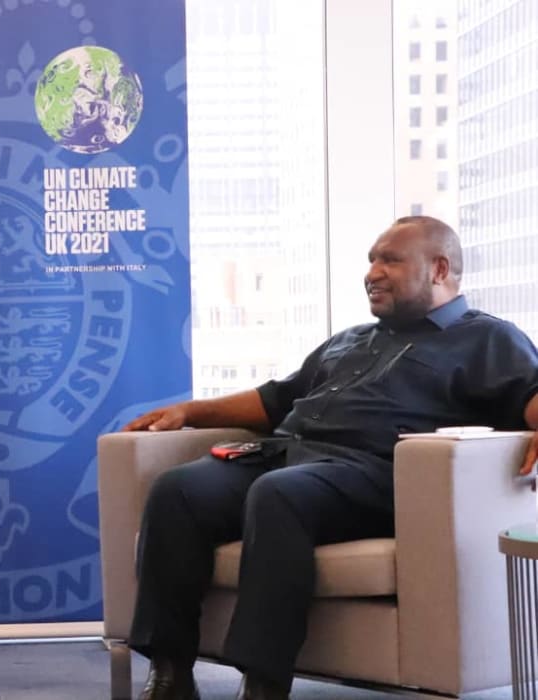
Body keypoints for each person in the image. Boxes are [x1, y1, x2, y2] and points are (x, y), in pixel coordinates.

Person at [122, 216, 538, 700]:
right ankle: (170, 671)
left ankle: (263, 682)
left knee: (279, 494)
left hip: (375, 472)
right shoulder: (353, 338)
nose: (372, 272)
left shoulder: (487, 339)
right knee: (179, 491)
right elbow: (274, 400)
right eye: (371, 260)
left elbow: (531, 393)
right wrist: (189, 411)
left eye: (390, 260)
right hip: (289, 455)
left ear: (440, 268)